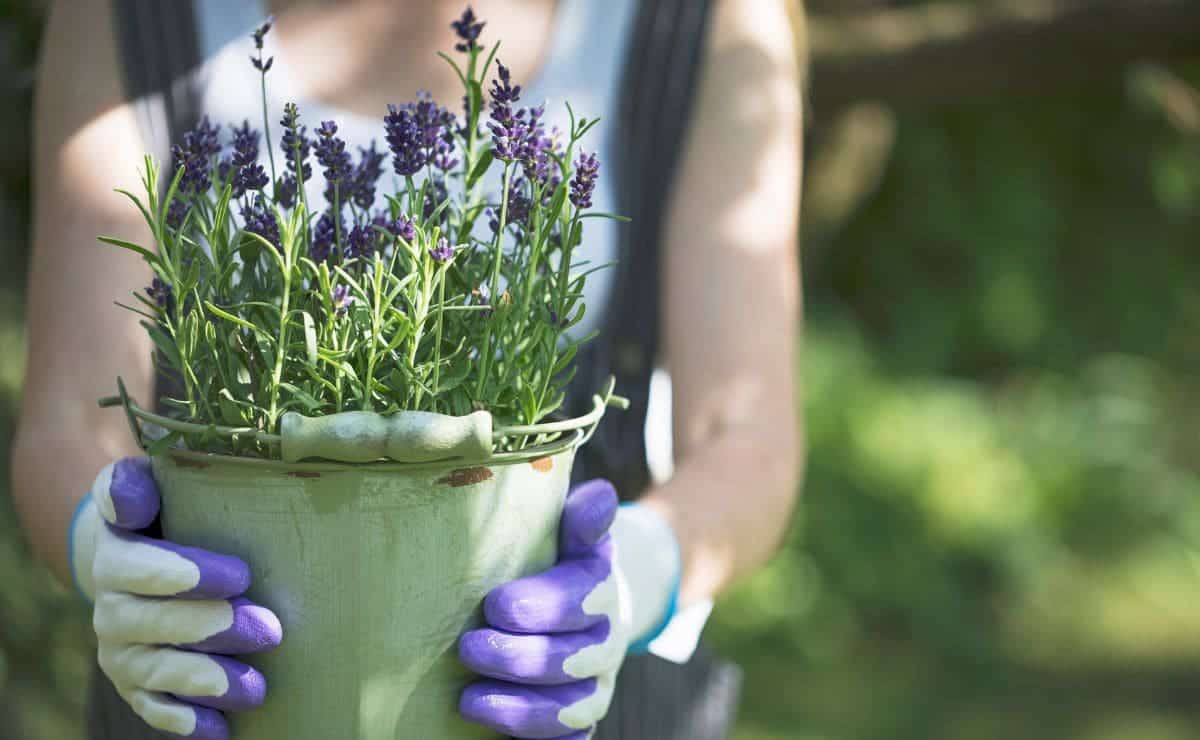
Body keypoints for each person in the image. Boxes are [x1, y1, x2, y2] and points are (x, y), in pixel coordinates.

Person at [13, 0, 805, 737]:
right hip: (208, 688)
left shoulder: (703, 19)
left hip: (566, 702)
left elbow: (747, 436)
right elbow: (68, 424)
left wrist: (637, 576)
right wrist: (109, 555)